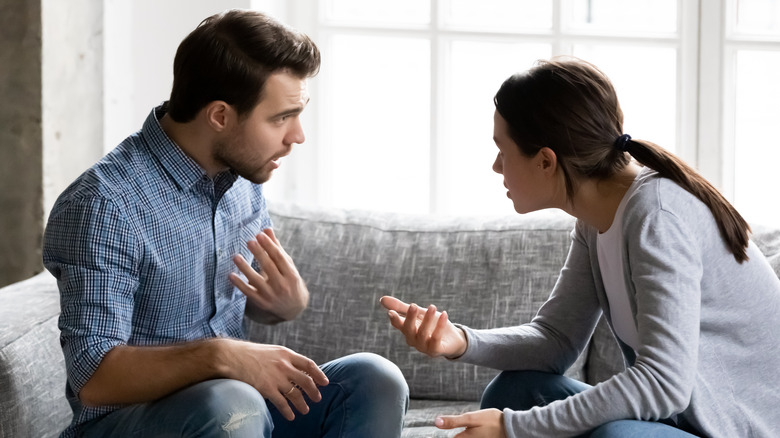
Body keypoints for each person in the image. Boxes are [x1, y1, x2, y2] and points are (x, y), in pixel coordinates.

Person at [43, 9, 407, 438]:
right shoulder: (104, 205)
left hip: (239, 415)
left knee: (374, 378)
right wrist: (222, 356)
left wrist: (284, 305)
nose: (297, 136)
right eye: (280, 118)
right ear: (220, 116)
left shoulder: (241, 176)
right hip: (137, 422)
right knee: (232, 403)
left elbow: (213, 303)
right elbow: (94, 380)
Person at [380, 57, 780, 437]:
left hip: (732, 430)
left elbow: (663, 383)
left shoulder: (657, 216)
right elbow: (555, 341)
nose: (496, 166)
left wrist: (513, 429)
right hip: (678, 423)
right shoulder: (595, 218)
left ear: (545, 161)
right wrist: (461, 341)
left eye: (503, 150)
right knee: (514, 393)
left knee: (616, 435)